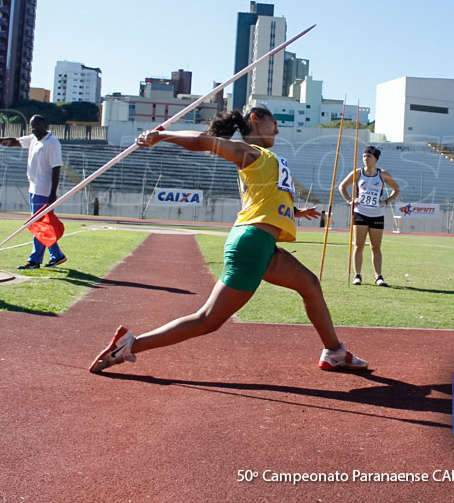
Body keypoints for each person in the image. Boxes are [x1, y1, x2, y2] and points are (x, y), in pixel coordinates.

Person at [89, 106, 369, 374]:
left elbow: (262, 198)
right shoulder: (248, 153)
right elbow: (202, 141)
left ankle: (334, 352)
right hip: (252, 243)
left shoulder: (261, 158)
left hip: (260, 244)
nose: (278, 132)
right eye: (276, 125)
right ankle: (129, 346)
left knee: (309, 285)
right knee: (207, 320)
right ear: (256, 118)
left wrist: (295, 211)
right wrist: (162, 136)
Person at [0, 115, 68, 270]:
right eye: (32, 127)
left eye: (38, 127)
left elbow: (56, 168)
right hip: (33, 187)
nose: (35, 130)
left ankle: (34, 260)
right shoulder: (33, 139)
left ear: (45, 126)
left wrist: (53, 193)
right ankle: (57, 255)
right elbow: (13, 141)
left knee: (38, 224)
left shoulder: (52, 143)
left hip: (43, 190)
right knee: (41, 224)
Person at [337, 146, 400, 286]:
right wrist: (350, 201)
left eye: (369, 156)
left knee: (375, 247)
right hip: (360, 213)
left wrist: (386, 201)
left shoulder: (382, 174)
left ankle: (378, 277)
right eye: (364, 156)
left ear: (375, 159)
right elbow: (342, 186)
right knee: (358, 245)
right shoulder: (358, 173)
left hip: (377, 214)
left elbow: (396, 189)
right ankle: (357, 275)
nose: (366, 159)